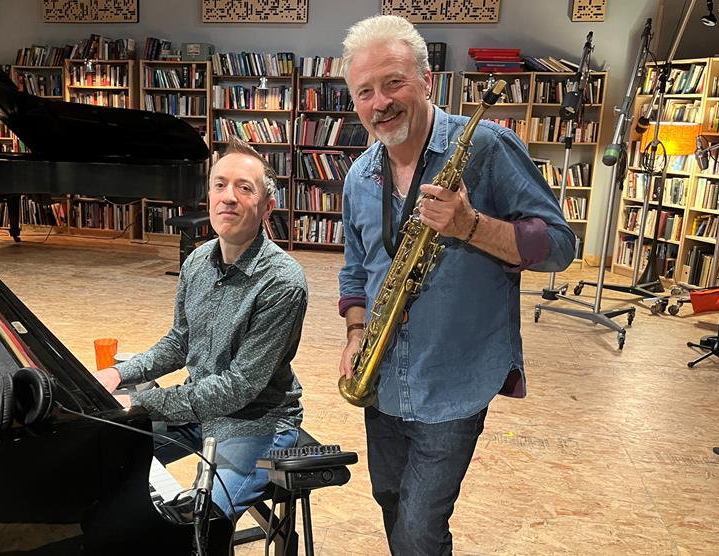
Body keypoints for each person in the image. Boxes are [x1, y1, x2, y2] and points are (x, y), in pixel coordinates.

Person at [337, 15, 576, 555]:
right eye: (365, 91)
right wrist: (355, 334)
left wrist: (472, 226)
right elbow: (355, 269)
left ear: (426, 79)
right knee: (393, 505)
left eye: (393, 82)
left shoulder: (488, 147)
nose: (380, 103)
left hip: (455, 382)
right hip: (383, 379)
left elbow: (561, 244)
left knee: (420, 529)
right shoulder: (359, 176)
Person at [92, 137, 307, 521]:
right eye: (220, 184)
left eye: (245, 188)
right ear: (208, 195)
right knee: (104, 454)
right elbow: (180, 342)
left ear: (266, 207)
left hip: (256, 423)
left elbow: (239, 386)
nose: (228, 197)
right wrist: (118, 373)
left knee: (197, 525)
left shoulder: (283, 282)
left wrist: (141, 403)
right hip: (197, 412)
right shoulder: (196, 263)